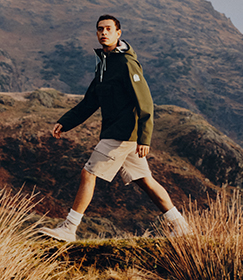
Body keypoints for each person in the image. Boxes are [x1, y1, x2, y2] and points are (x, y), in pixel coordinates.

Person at [38, 14, 191, 242]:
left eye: (109, 29)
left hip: (122, 134)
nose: (104, 33)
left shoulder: (127, 63)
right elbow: (90, 102)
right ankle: (181, 226)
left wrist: (145, 138)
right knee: (145, 180)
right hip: (117, 133)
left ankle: (69, 228)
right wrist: (66, 121)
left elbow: (145, 102)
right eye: (100, 29)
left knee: (89, 173)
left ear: (118, 33)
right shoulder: (104, 65)